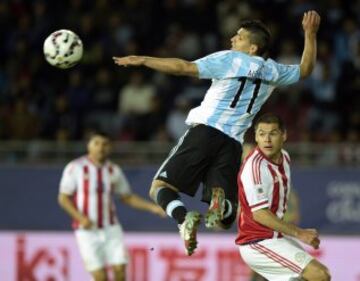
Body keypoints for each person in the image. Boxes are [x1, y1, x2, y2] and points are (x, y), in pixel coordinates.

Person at [113, 11, 321, 256]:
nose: (233, 39)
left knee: (159, 187)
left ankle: (183, 221)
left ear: (252, 48)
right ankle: (220, 204)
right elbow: (306, 69)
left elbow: (183, 67)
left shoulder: (230, 59)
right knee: (224, 221)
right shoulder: (273, 71)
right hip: (233, 144)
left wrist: (144, 60)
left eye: (240, 37)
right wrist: (310, 34)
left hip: (205, 132)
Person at [58, 131, 165, 281]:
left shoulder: (113, 170)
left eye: (105, 144)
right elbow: (63, 198)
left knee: (120, 270)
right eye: (96, 143)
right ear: (89, 145)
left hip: (111, 228)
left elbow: (127, 197)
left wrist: (153, 208)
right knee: (100, 276)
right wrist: (80, 218)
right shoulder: (75, 168)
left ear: (110, 147)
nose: (101, 147)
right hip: (87, 231)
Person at [236, 113, 331, 281]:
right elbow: (259, 213)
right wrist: (299, 233)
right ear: (256, 137)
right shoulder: (255, 168)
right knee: (319, 274)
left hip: (276, 236)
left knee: (314, 277)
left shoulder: (285, 157)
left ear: (284, 135)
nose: (267, 139)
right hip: (257, 241)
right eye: (261, 134)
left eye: (272, 133)